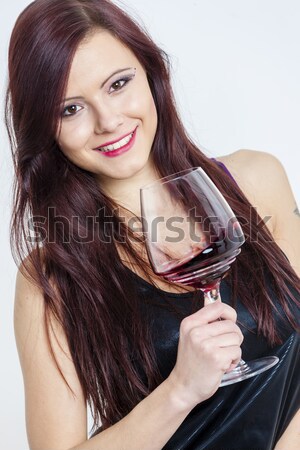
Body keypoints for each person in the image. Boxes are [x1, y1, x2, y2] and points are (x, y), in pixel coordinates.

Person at [6, 0, 299, 449]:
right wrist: (179, 390)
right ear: (44, 126)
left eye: (118, 84)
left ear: (151, 73)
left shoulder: (256, 181)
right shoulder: (52, 278)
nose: (108, 121)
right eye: (71, 109)